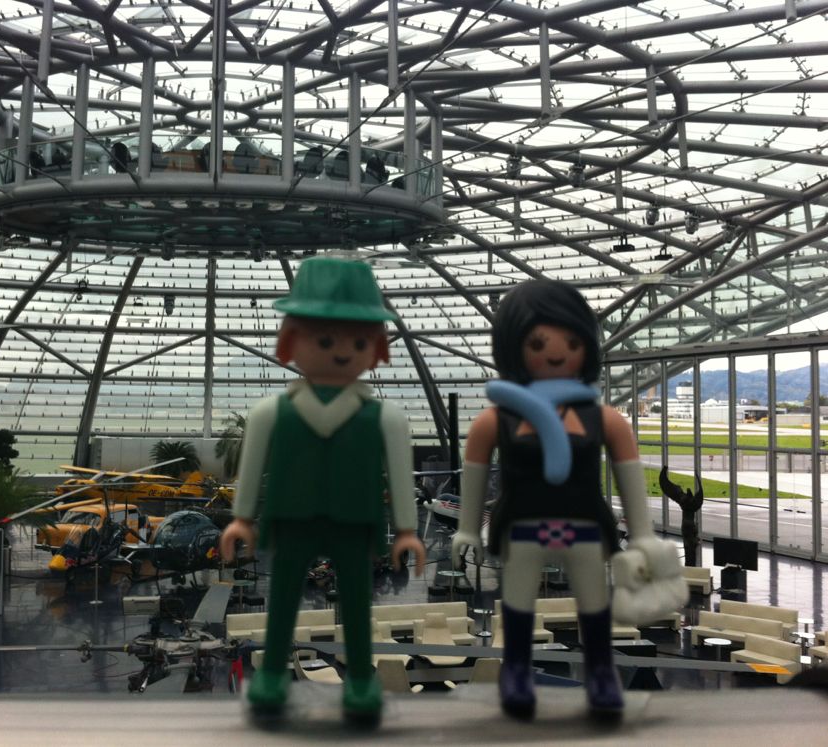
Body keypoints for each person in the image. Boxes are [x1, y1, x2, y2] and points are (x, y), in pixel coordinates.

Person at [451, 279, 686, 720]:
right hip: (524, 526)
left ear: (587, 348)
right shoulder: (496, 420)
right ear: (512, 347)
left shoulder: (605, 419)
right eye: (538, 343)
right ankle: (516, 672)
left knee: (593, 604)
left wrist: (643, 536)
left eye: (572, 342)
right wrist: (466, 528)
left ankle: (601, 673)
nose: (557, 353)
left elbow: (629, 478)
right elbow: (475, 474)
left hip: (582, 526)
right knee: (517, 603)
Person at [219, 257, 426, 725]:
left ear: (376, 347)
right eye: (325, 340)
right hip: (297, 520)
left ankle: (360, 678)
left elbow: (400, 474)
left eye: (358, 342)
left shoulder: (384, 417)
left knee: (357, 604)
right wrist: (241, 517)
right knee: (283, 600)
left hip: (352, 524)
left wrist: (407, 530)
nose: (341, 352)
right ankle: (274, 672)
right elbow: (251, 467)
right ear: (291, 341)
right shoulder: (273, 412)